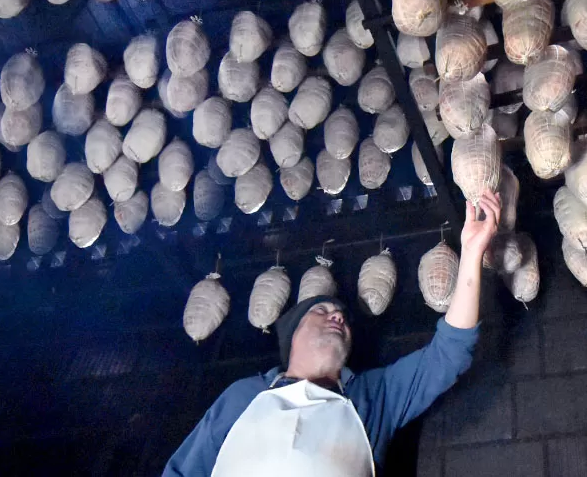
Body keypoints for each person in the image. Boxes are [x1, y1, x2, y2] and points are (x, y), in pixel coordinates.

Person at [163, 189, 502, 476]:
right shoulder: (242, 396)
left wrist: (471, 254)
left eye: (342, 316)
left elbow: (448, 354)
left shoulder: (373, 399)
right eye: (322, 310)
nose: (337, 317)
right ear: (293, 333)